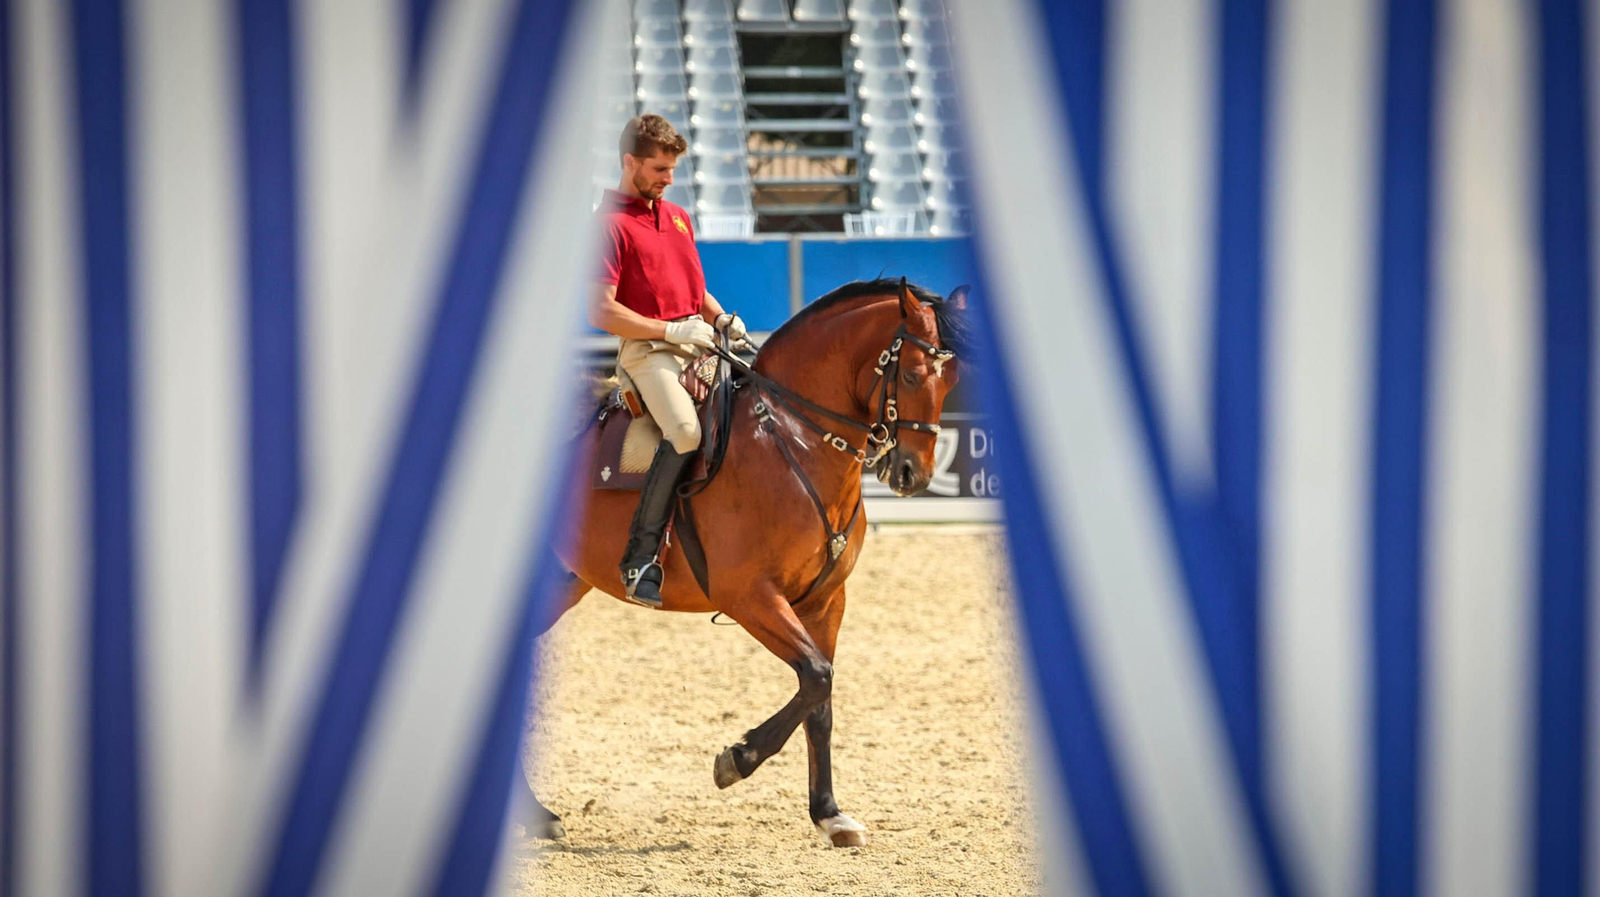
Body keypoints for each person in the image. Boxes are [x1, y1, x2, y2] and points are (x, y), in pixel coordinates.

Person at [592, 113, 746, 607]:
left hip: (698, 339)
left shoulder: (678, 216)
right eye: (659, 168)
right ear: (629, 162)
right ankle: (640, 558)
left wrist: (721, 320)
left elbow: (693, 288)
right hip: (647, 351)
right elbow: (602, 310)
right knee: (684, 432)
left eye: (673, 169)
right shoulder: (608, 225)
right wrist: (668, 330)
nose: (668, 178)